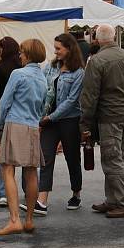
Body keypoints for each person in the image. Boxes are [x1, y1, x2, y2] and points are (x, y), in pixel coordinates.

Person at [80, 24, 124, 218]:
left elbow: (90, 95)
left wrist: (85, 123)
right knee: (116, 158)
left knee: (112, 160)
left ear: (97, 40)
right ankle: (113, 199)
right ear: (114, 37)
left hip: (109, 115)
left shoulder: (97, 61)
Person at [29, 33, 85, 214]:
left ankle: (76, 193)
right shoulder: (51, 67)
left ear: (69, 49)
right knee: (46, 159)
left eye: (59, 49)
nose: (56, 52)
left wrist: (50, 117)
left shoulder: (78, 72)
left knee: (72, 158)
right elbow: (42, 87)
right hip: (49, 120)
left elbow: (71, 101)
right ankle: (42, 200)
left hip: (68, 120)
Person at [0, 39, 47, 236]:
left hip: (15, 122)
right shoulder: (43, 78)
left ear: (28, 54)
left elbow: (5, 102)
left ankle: (14, 219)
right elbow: (44, 106)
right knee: (31, 172)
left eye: (22, 52)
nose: (20, 55)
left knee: (8, 170)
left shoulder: (18, 74)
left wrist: (0, 125)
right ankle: (29, 220)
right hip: (33, 126)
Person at [0, 36, 21, 207]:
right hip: (24, 118)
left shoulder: (2, 67)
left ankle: (4, 193)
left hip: (8, 115)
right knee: (27, 161)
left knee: (5, 159)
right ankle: (30, 192)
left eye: (0, 49)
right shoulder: (23, 65)